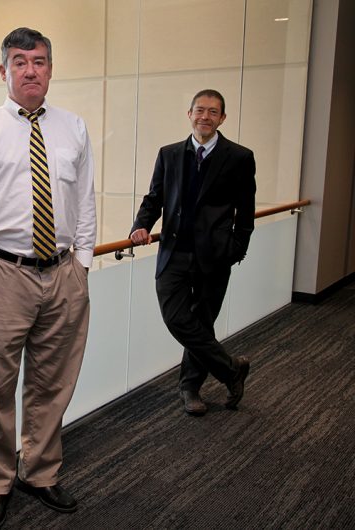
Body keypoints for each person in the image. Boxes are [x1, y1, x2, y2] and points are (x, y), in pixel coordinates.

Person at [0, 27, 96, 529]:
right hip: (2, 274)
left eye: (38, 61)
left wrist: (83, 262)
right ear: (4, 71)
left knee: (52, 382)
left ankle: (41, 471)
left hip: (62, 272)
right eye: (19, 61)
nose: (30, 69)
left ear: (50, 69)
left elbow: (85, 202)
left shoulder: (74, 127)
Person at [130, 89, 255, 417]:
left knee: (202, 322)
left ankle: (190, 388)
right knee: (177, 317)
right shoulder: (169, 154)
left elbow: (246, 211)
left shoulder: (239, 157)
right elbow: (154, 196)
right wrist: (140, 225)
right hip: (173, 252)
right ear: (189, 114)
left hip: (215, 256)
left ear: (222, 119)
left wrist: (236, 250)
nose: (206, 116)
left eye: (213, 112)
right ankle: (231, 369)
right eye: (200, 110)